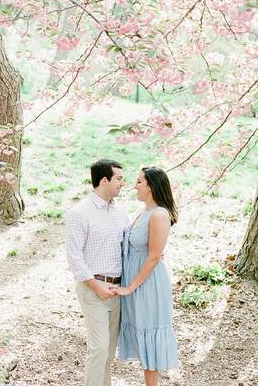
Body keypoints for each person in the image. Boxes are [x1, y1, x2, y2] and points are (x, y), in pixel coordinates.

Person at [65, 159, 130, 386]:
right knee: (99, 349)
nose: (123, 183)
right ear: (104, 180)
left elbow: (129, 248)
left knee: (109, 352)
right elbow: (74, 257)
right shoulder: (80, 213)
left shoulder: (121, 212)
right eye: (119, 178)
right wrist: (95, 285)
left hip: (117, 290)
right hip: (93, 289)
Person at [112, 165, 179, 386]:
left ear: (151, 186)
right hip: (135, 281)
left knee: (150, 341)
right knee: (141, 337)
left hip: (148, 285)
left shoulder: (159, 214)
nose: (134, 185)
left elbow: (153, 257)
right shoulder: (143, 213)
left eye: (139, 181)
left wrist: (130, 287)